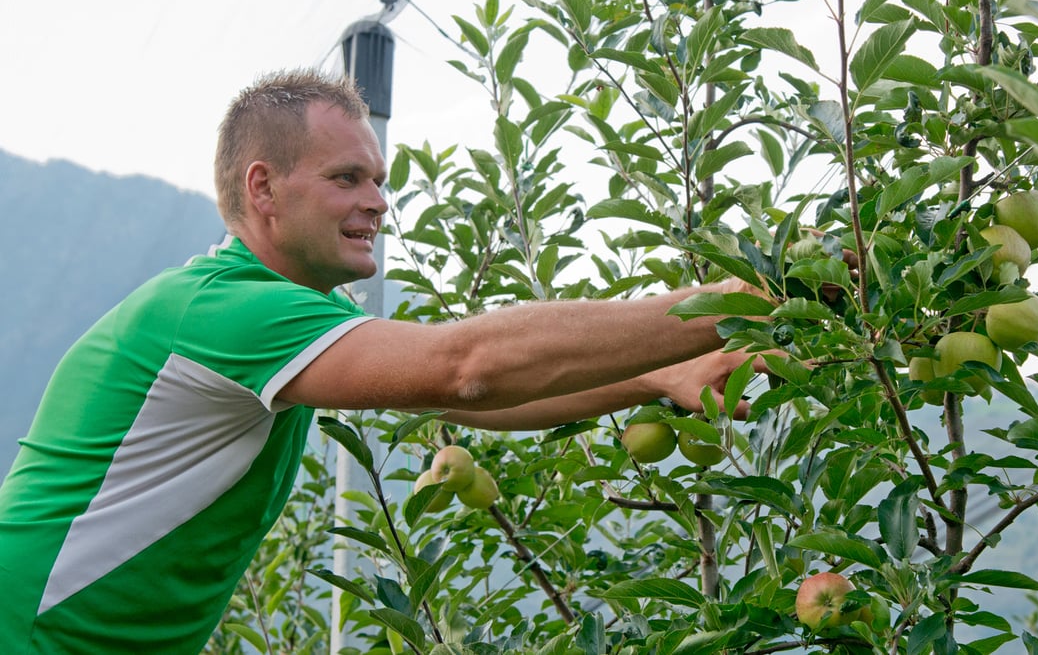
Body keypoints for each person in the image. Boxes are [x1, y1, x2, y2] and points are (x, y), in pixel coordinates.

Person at [0, 68, 771, 653]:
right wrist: (730, 301)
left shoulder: (291, 317)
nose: (378, 201)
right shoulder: (226, 312)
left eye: (379, 180)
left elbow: (467, 400)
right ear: (263, 187)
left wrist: (651, 376)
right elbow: (465, 366)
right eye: (347, 179)